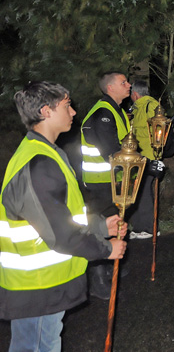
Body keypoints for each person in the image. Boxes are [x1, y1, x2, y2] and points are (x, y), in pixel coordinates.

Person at [1, 81, 127, 352]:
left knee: (44, 342)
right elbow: (60, 233)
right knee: (35, 346)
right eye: (67, 105)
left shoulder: (45, 152)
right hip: (35, 283)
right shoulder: (38, 163)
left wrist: (99, 225)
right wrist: (105, 249)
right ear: (46, 111)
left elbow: (57, 214)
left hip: (43, 280)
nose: (73, 112)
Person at [80, 71, 131, 299]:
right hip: (100, 182)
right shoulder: (103, 113)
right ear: (111, 88)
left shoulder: (114, 109)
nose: (128, 85)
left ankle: (110, 267)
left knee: (113, 224)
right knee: (100, 229)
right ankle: (98, 281)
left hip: (110, 180)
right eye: (123, 82)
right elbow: (112, 151)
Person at [128, 80, 160, 239]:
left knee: (144, 191)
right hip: (137, 156)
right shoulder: (136, 108)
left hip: (149, 156)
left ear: (135, 93)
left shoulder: (151, 105)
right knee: (137, 191)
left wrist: (156, 155)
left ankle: (150, 228)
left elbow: (159, 130)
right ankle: (139, 227)